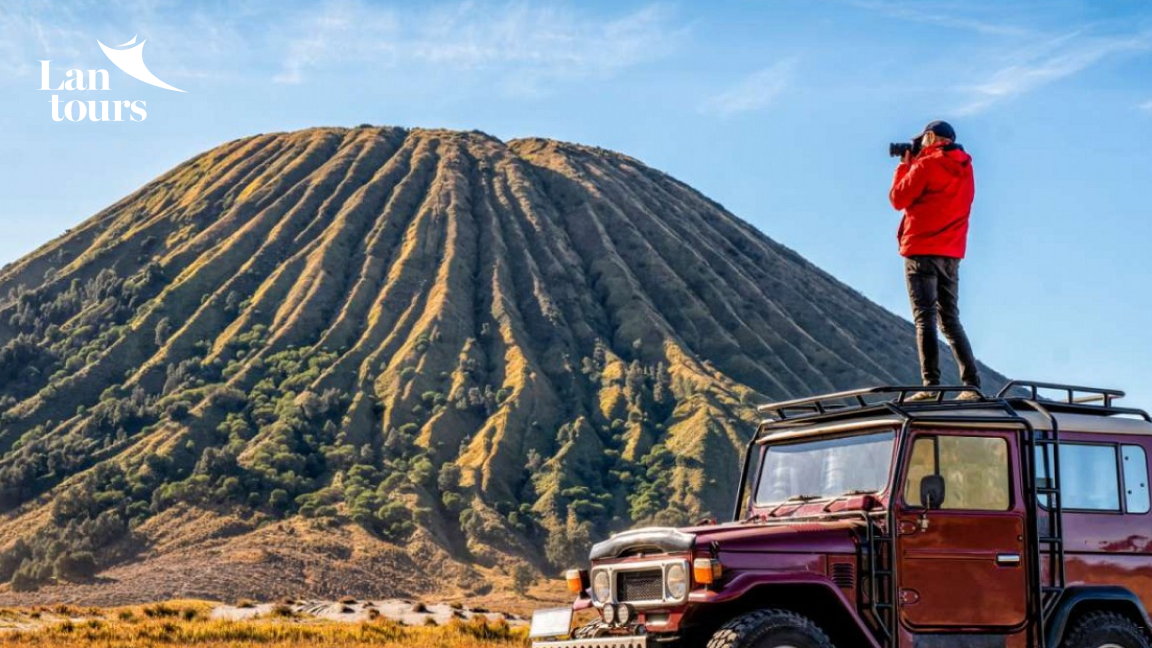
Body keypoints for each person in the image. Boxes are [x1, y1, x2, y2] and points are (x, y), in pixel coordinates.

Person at [889, 120, 980, 400]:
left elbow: (898, 198)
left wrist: (904, 166)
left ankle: (931, 386)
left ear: (930, 137)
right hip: (951, 253)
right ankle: (971, 385)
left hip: (921, 249)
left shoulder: (925, 166)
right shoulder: (966, 169)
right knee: (950, 319)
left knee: (924, 318)